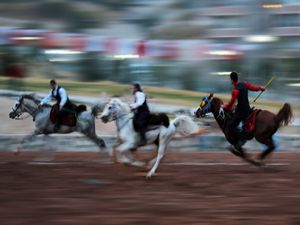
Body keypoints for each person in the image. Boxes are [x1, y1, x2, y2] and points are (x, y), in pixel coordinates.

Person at [223, 72, 265, 149]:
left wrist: (224, 106)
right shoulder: (245, 84)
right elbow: (253, 88)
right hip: (247, 109)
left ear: (232, 80)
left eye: (230, 79)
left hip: (241, 112)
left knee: (231, 126)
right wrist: (260, 88)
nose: (230, 81)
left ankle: (241, 140)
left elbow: (231, 102)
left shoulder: (235, 90)